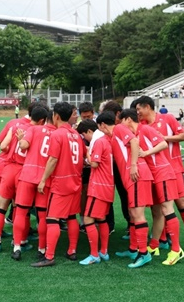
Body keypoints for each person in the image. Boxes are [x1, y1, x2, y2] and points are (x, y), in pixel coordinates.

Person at [135, 95, 184, 257]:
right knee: (158, 208)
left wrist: (164, 138)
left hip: (173, 168)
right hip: (155, 172)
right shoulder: (141, 126)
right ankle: (162, 240)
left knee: (181, 203)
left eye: (139, 109)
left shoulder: (167, 118)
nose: (138, 113)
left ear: (147, 107)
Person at [31, 102, 85, 267]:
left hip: (61, 182)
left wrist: (43, 180)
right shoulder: (76, 134)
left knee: (52, 219)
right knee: (71, 217)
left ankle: (49, 256)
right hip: (76, 180)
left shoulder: (58, 134)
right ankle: (72, 251)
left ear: (56, 116)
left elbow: (53, 159)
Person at [0, 106, 47, 253]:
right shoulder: (37, 132)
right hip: (24, 172)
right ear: (42, 120)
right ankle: (21, 241)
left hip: (9, 168)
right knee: (20, 209)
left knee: (1, 208)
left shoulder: (17, 126)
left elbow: (2, 145)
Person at [112, 109, 154, 269]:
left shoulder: (119, 128)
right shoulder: (116, 134)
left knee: (137, 214)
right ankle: (133, 249)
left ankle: (144, 253)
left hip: (137, 175)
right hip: (136, 176)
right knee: (132, 213)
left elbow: (135, 142)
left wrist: (134, 165)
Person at [10, 106, 50, 260]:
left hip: (28, 175)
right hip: (44, 178)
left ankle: (17, 246)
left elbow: (24, 146)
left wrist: (21, 139)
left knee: (20, 211)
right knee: (42, 215)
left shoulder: (33, 129)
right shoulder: (53, 133)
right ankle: (41, 249)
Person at [79, 112, 116, 265]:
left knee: (87, 218)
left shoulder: (99, 141)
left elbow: (94, 163)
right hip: (108, 185)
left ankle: (94, 254)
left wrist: (87, 154)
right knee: (101, 219)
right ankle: (104, 251)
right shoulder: (108, 140)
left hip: (99, 186)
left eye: (84, 135)